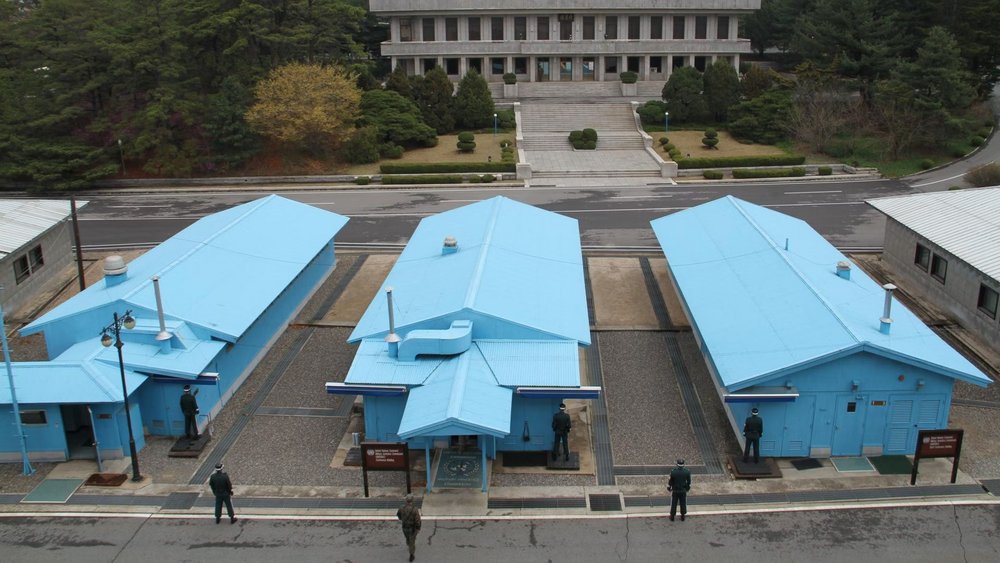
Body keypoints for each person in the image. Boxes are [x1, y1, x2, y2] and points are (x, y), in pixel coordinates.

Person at [396, 493, 421, 561]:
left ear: (406, 500)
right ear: (412, 500)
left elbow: (398, 516)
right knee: (412, 541)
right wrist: (418, 528)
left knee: (407, 537)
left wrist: (403, 519)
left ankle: (408, 543)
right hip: (412, 529)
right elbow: (417, 520)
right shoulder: (415, 509)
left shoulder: (401, 508)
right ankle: (411, 555)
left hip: (404, 527)